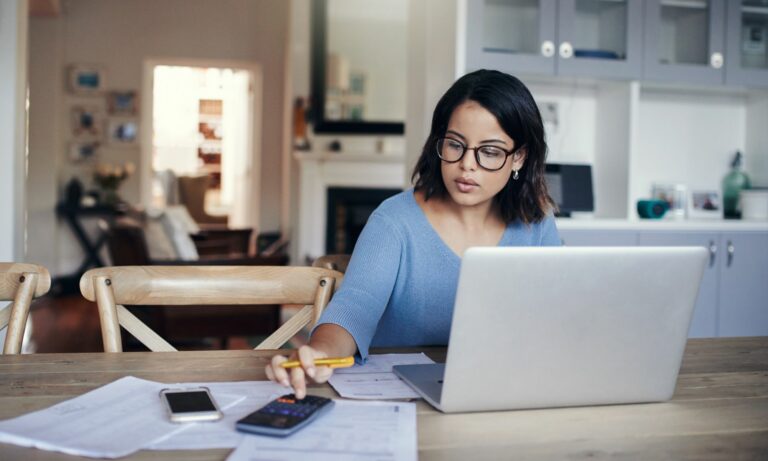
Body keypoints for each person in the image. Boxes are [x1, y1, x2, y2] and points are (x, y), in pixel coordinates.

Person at [266, 69, 560, 398]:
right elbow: (354, 308)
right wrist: (320, 353)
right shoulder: (394, 221)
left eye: (490, 151)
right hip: (399, 399)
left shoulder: (537, 223)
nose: (467, 165)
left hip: (500, 393)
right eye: (455, 145)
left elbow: (556, 318)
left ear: (518, 157)